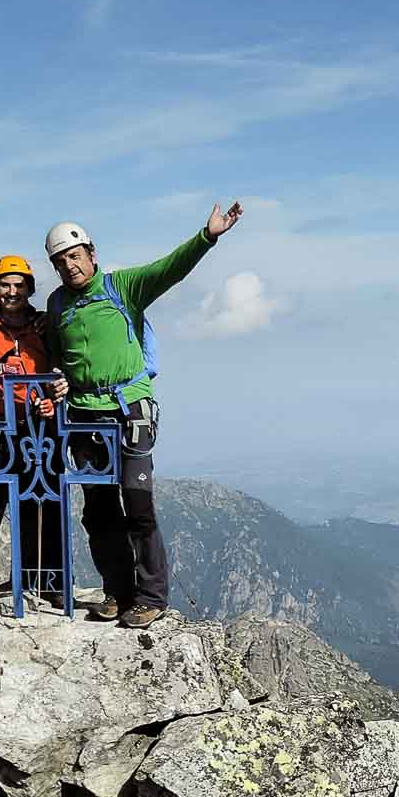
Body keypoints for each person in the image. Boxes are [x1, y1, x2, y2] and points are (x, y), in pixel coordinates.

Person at [44, 202, 243, 629]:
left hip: (129, 407)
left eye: (74, 256)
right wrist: (59, 378)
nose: (69, 266)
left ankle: (152, 596)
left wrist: (207, 237)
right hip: (83, 413)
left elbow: (170, 269)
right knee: (98, 511)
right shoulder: (57, 304)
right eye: (60, 261)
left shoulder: (123, 287)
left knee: (137, 503)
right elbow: (58, 357)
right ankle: (118, 592)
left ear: (91, 255)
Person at [0, 255, 68, 608]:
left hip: (39, 426)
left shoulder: (44, 327)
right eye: (5, 285)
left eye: (18, 285)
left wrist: (52, 398)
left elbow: (57, 374)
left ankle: (45, 579)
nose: (11, 291)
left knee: (45, 502)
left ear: (29, 289)